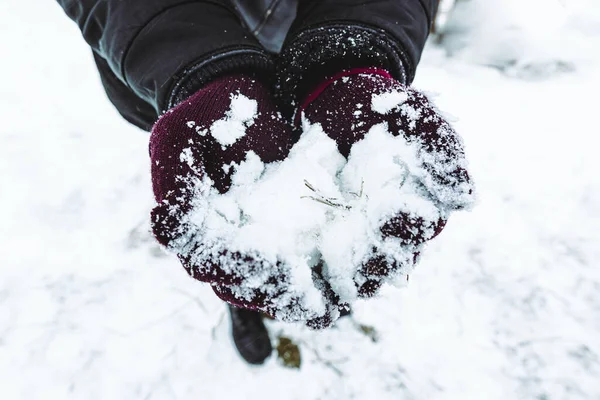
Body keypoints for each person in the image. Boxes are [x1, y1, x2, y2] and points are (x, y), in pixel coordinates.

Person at [57, 0, 473, 365]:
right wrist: (196, 68)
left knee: (236, 209)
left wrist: (356, 49)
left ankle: (312, 275)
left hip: (314, 39)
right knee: (215, 204)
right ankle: (245, 301)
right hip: (173, 67)